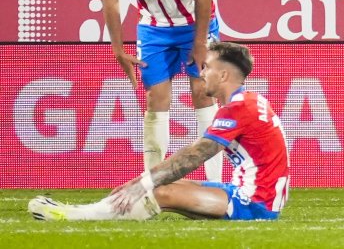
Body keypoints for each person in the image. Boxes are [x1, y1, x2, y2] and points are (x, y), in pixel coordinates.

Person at [29, 42, 289, 222]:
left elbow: (196, 154)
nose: (201, 73)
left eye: (207, 67)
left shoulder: (238, 107)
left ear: (222, 75)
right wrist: (147, 180)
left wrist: (142, 183)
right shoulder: (249, 100)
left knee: (160, 191)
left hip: (255, 203)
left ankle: (73, 215)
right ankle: (87, 211)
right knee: (163, 185)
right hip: (256, 196)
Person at [92, 0, 222, 183]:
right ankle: (153, 185)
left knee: (203, 94)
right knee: (155, 99)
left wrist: (200, 42)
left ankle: (215, 183)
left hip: (194, 23)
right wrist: (117, 49)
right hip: (153, 27)